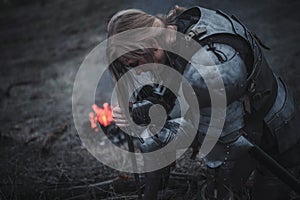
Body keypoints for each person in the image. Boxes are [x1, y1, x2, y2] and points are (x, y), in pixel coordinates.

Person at [106, 5, 300, 199]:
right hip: (241, 126)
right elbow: (170, 84)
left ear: (153, 43)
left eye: (135, 64)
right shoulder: (175, 34)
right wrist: (137, 110)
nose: (138, 71)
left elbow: (221, 141)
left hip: (271, 133)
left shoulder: (209, 65)